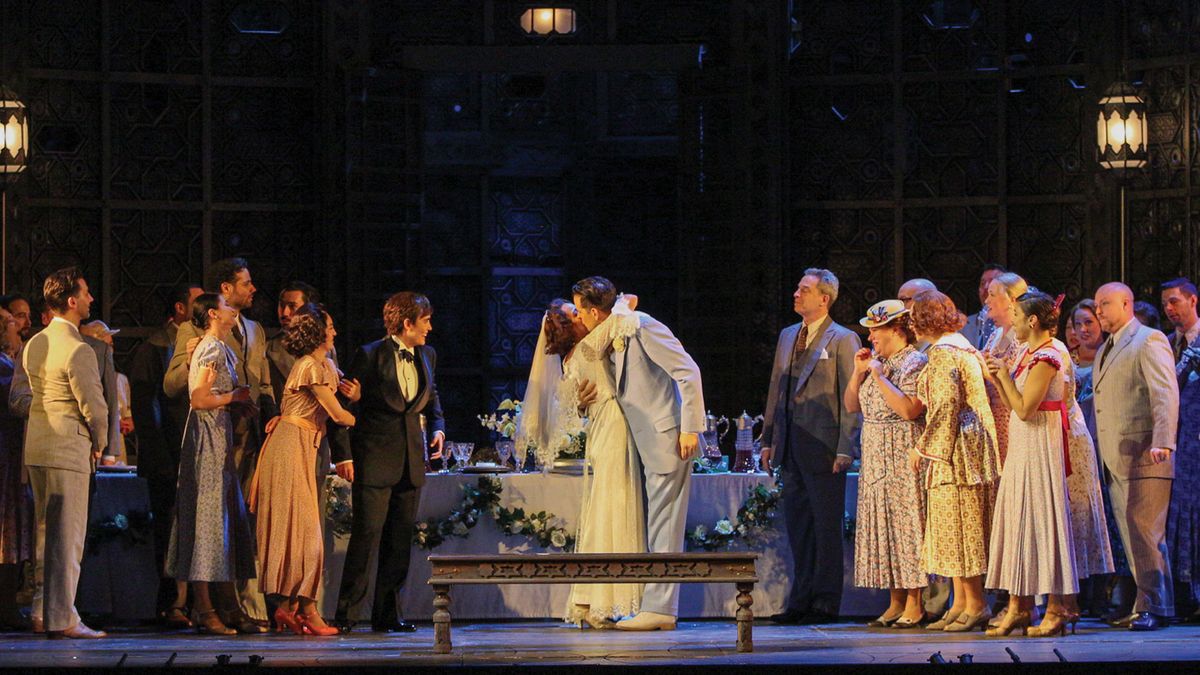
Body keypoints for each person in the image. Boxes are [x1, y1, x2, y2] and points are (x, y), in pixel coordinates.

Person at [571, 277, 704, 632]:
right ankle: (654, 604)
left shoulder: (641, 326)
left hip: (667, 436)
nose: (578, 318)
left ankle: (661, 609)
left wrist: (690, 428)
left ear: (595, 312)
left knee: (665, 524)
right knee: (656, 525)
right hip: (641, 442)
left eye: (580, 311)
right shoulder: (611, 335)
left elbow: (688, 371)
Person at [520, 295, 645, 628]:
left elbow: (575, 404)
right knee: (616, 508)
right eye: (575, 312)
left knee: (603, 510)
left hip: (604, 430)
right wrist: (613, 303)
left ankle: (590, 598)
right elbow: (627, 307)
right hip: (613, 428)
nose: (583, 315)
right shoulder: (589, 345)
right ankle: (608, 600)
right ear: (569, 326)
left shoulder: (571, 359)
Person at [164, 258, 276, 622]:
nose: (252, 289)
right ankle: (208, 607)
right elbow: (189, 393)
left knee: (229, 524)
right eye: (245, 284)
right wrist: (225, 392)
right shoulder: (202, 340)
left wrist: (254, 410)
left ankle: (233, 606)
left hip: (235, 436)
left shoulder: (250, 332)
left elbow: (260, 383)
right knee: (209, 522)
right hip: (210, 436)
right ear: (219, 302)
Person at [332, 292, 445, 633]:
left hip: (411, 461)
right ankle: (348, 614)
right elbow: (342, 408)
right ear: (407, 323)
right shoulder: (370, 354)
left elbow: (432, 398)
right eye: (425, 321)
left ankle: (387, 614)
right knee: (366, 538)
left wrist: (438, 428)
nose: (430, 327)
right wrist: (343, 455)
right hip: (375, 458)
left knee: (398, 542)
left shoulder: (428, 354)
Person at [761, 269, 861, 625]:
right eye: (797, 288)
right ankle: (800, 599)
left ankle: (825, 601)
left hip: (824, 445)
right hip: (791, 445)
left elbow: (852, 397)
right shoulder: (789, 335)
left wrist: (846, 447)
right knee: (799, 526)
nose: (796, 294)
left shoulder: (843, 339)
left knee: (825, 526)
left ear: (824, 298)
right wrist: (768, 439)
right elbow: (776, 389)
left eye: (804, 290)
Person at [250, 304, 354, 637]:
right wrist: (365, 417)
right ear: (317, 332)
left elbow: (339, 400)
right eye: (330, 327)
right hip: (289, 447)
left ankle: (287, 607)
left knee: (300, 531)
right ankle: (307, 610)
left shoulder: (325, 365)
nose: (334, 332)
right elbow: (337, 414)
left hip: (304, 445)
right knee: (305, 533)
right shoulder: (309, 365)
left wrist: (354, 397)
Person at [983, 291, 1079, 637]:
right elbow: (1014, 405)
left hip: (1040, 444)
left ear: (1033, 321)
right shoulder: (1028, 352)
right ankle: (1019, 607)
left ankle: (1057, 608)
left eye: (1017, 316)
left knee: (1042, 521)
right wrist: (998, 377)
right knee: (1018, 521)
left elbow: (1026, 409)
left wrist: (1005, 377)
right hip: (1024, 443)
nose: (1013, 322)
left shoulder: (1048, 356)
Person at [22, 267, 109, 639]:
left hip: (38, 446)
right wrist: (100, 442)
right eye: (86, 293)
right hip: (67, 447)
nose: (90, 299)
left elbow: (27, 395)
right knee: (68, 537)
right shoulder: (78, 348)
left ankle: (41, 610)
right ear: (72, 301)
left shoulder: (35, 342)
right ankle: (63, 618)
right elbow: (94, 406)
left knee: (46, 534)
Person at [909, 290, 1000, 633]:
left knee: (962, 526)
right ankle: (961, 603)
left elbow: (946, 404)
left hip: (957, 450)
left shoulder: (945, 352)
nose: (911, 323)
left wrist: (923, 448)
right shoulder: (961, 346)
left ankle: (975, 603)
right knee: (955, 525)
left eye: (915, 316)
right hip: (966, 444)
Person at [1093, 282, 1178, 631]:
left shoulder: (1148, 339)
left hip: (1146, 452)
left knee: (1145, 532)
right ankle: (1149, 603)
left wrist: (1164, 441)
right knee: (1133, 536)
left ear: (1126, 304)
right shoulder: (1106, 348)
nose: (1098, 311)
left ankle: (1154, 606)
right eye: (1096, 305)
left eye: (1105, 303)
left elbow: (1164, 393)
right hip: (1116, 456)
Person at [843, 300, 928, 628]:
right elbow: (852, 405)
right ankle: (895, 601)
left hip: (901, 448)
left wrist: (878, 376)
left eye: (876, 330)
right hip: (875, 452)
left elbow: (910, 410)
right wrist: (859, 372)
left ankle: (915, 602)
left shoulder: (914, 361)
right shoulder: (877, 362)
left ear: (896, 329)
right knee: (885, 525)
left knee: (908, 524)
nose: (870, 336)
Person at [128, 282, 203, 626]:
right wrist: (161, 460)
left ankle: (194, 603)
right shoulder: (154, 348)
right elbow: (146, 409)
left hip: (192, 451)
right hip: (167, 455)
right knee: (169, 529)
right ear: (179, 309)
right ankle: (171, 603)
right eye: (197, 302)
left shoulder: (201, 343)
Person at [1162, 277, 1200, 618]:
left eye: (1174, 301)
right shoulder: (1165, 344)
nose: (1169, 309)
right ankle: (1182, 596)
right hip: (1175, 442)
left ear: (1193, 300)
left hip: (1196, 440)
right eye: (1165, 304)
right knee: (1175, 514)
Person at [0, 307, 32, 629]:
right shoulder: (4, 368)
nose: (18, 326)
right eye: (12, 322)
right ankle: (5, 608)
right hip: (4, 461)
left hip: (10, 457)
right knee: (6, 530)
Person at [981, 272, 1028, 467]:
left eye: (992, 294)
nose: (986, 300)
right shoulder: (997, 334)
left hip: (1012, 417)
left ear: (1012, 300)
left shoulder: (1023, 337)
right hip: (995, 420)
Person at [962, 264, 1007, 350]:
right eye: (982, 283)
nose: (986, 287)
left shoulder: (1015, 328)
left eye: (992, 282)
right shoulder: (965, 325)